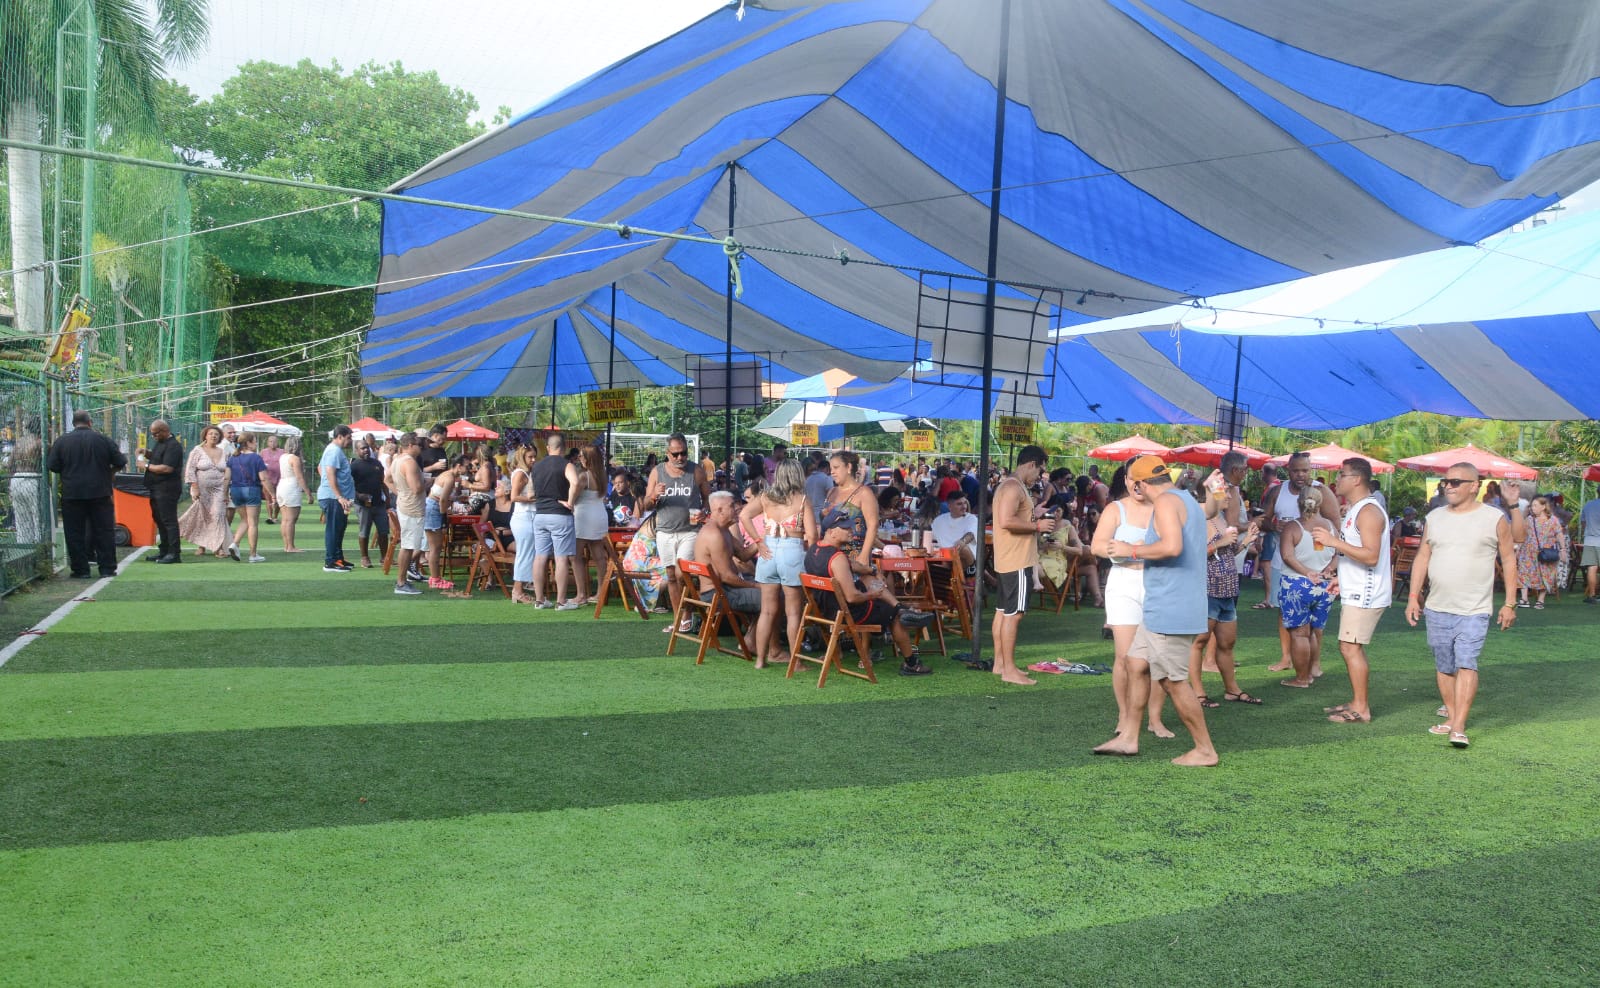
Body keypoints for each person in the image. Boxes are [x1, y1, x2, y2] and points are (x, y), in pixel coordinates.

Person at [1095, 454, 1219, 767]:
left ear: (1138, 484)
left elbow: (1172, 547)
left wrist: (1131, 550)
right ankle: (1128, 738)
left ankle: (1205, 749)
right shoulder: (1185, 498)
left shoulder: (1165, 502)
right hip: (1166, 603)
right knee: (1136, 664)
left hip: (1171, 606)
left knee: (1173, 681)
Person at [1407, 463, 1519, 748]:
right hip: (1437, 606)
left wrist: (1509, 603)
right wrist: (1412, 596)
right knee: (1444, 665)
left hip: (1475, 609)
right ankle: (1451, 715)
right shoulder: (1434, 517)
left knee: (1466, 663)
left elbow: (1508, 559)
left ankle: (1458, 726)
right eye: (1446, 481)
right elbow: (1422, 557)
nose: (1448, 486)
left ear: (1474, 486)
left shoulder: (1494, 518)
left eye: (1456, 482)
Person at [1090, 455, 1173, 738]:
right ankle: (1125, 715)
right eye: (1131, 478)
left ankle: (1155, 718)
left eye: (1141, 479)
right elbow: (1097, 546)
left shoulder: (1164, 508)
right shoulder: (1115, 509)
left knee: (1157, 657)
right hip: (1124, 584)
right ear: (1125, 481)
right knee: (1125, 656)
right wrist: (1122, 549)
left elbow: (1175, 545)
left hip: (1157, 583)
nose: (1136, 484)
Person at [1311, 458, 1391, 723]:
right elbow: (1357, 553)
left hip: (1366, 592)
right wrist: (1341, 578)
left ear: (1356, 479)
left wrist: (1333, 542)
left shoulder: (1369, 512)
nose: (1336, 480)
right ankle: (1357, 701)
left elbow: (1371, 556)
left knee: (1350, 648)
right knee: (1349, 646)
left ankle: (1361, 708)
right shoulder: (1357, 509)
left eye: (1341, 475)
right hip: (1356, 588)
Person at [804, 516, 935, 677]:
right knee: (894, 616)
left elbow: (852, 565)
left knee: (867, 579)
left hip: (825, 611)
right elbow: (852, 597)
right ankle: (912, 664)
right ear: (831, 532)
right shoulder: (837, 558)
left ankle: (901, 607)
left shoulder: (814, 550)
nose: (851, 531)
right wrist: (872, 595)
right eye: (845, 528)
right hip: (846, 613)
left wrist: (872, 571)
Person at [1261, 452, 1340, 670]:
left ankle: (1314, 663)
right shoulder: (1278, 491)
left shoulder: (1321, 491)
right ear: (1288, 470)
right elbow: (1262, 520)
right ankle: (1286, 658)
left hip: (1317, 565)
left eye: (1305, 470)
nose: (1300, 475)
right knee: (1284, 611)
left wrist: (1331, 561)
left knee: (1316, 621)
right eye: (1296, 470)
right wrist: (1273, 526)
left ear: (1310, 470)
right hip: (1284, 563)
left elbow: (1336, 526)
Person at [989, 445, 1055, 686]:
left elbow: (1011, 517)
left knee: (1003, 612)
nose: (1040, 476)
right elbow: (1006, 520)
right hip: (1016, 560)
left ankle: (1000, 664)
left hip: (1009, 559)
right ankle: (1008, 669)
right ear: (1031, 464)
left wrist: (1033, 514)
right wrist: (1037, 526)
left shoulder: (1012, 486)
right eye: (1040, 470)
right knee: (1014, 615)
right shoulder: (1013, 487)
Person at [740, 459, 815, 669]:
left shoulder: (766, 497)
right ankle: (796, 662)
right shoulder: (802, 500)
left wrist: (758, 540)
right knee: (793, 613)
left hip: (768, 551)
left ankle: (760, 660)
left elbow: (744, 515)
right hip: (792, 552)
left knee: (766, 611)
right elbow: (812, 535)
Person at [46, 410, 128, 578]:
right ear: (90, 422)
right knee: (104, 530)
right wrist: (109, 473)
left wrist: (69, 471)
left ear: (73, 424)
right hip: (100, 492)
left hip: (73, 492)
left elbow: (53, 466)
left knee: (74, 532)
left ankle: (80, 569)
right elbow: (121, 461)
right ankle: (107, 568)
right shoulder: (103, 440)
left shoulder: (62, 441)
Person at [1276, 486, 1337, 690]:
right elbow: (1338, 554)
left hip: (1298, 584)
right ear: (1320, 503)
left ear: (1299, 502)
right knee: (1314, 631)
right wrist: (1329, 569)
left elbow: (1287, 556)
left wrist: (1307, 572)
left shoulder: (1293, 527)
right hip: (1325, 586)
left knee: (1299, 634)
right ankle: (1313, 670)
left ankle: (1302, 678)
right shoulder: (1330, 526)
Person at [643, 433, 710, 618]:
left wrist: (705, 510)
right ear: (667, 453)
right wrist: (654, 495)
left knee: (682, 574)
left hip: (690, 531)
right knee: (671, 576)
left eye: (684, 453)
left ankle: (688, 612)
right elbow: (646, 505)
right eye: (675, 454)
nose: (680, 457)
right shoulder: (658, 472)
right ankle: (678, 618)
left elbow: (707, 498)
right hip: (665, 531)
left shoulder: (696, 470)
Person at [695, 490, 763, 656]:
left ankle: (754, 639)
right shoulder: (715, 535)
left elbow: (744, 555)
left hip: (723, 589)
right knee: (772, 597)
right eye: (732, 506)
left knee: (771, 591)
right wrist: (755, 585)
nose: (737, 508)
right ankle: (756, 643)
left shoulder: (722, 530)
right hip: (718, 594)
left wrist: (762, 539)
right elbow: (726, 577)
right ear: (719, 510)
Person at [530, 432, 583, 609]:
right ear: (564, 448)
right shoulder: (566, 464)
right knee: (561, 558)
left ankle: (539, 599)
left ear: (548, 448)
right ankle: (561, 601)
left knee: (540, 557)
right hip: (560, 514)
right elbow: (575, 482)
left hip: (540, 514)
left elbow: (531, 492)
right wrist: (570, 502)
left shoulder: (537, 466)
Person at [819, 450, 879, 576]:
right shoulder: (831, 492)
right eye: (831, 468)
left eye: (836, 467)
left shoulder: (863, 493)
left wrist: (864, 555)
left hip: (854, 556)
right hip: (829, 555)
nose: (832, 472)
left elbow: (873, 526)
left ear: (849, 467)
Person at [178, 425, 232, 559]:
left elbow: (228, 471)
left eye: (216, 434)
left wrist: (226, 491)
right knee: (203, 517)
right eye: (211, 434)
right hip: (201, 489)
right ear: (205, 436)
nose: (214, 436)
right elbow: (190, 470)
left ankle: (218, 547)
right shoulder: (197, 450)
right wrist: (195, 487)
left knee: (218, 515)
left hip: (219, 489)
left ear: (220, 437)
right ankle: (201, 546)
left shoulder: (223, 452)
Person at [225, 434, 274, 563]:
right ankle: (253, 554)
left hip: (235, 490)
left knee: (245, 520)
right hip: (251, 490)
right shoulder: (256, 458)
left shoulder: (233, 458)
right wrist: (273, 494)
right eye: (255, 441)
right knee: (253, 523)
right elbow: (264, 478)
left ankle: (235, 543)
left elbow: (226, 478)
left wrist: (225, 493)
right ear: (248, 443)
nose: (256, 444)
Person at [388, 433, 427, 595]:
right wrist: (428, 482)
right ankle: (401, 583)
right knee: (408, 546)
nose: (421, 447)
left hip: (406, 505)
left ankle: (403, 580)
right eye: (419, 444)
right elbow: (416, 488)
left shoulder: (397, 460)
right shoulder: (409, 462)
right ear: (410, 445)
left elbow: (387, 479)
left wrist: (400, 493)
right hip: (412, 508)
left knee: (408, 545)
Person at [572, 445, 610, 605]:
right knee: (599, 556)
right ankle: (601, 592)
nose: (579, 458)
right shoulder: (602, 475)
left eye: (581, 456)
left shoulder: (583, 477)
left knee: (575, 556)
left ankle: (581, 594)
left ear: (588, 458)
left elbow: (572, 498)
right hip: (600, 515)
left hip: (583, 517)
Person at [317, 425, 357, 573]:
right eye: (348, 438)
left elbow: (320, 468)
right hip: (333, 498)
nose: (350, 441)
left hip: (336, 497)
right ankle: (330, 561)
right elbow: (329, 472)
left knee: (339, 528)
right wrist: (338, 496)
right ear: (340, 436)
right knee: (334, 529)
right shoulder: (333, 451)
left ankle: (338, 558)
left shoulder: (335, 450)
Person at [143, 420, 184, 564]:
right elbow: (157, 458)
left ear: (165, 431)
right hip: (156, 487)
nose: (154, 436)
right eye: (152, 434)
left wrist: (146, 466)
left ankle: (174, 553)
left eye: (156, 433)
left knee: (168, 520)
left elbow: (167, 468)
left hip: (167, 488)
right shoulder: (160, 443)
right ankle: (164, 550)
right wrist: (146, 453)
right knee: (159, 519)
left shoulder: (174, 446)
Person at [1515, 495, 1566, 609]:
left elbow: (1559, 534)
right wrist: (1518, 549)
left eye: (1535, 505)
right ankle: (1524, 599)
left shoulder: (1553, 520)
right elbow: (1523, 534)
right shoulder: (1529, 519)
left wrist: (1563, 549)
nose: (1532, 508)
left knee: (1545, 574)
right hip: (1527, 552)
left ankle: (1540, 600)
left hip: (1545, 553)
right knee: (1523, 572)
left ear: (1543, 507)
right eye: (1531, 505)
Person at [506, 445, 539, 604]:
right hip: (524, 517)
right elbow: (513, 497)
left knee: (528, 553)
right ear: (522, 458)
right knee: (524, 554)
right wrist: (531, 499)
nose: (533, 459)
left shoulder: (527, 472)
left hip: (529, 516)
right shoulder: (520, 473)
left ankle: (522, 586)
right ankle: (517, 590)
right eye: (530, 457)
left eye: (534, 456)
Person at [350, 439, 390, 569]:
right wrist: (359, 495)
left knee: (383, 531)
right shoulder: (354, 465)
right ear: (357, 451)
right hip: (363, 504)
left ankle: (384, 557)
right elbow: (349, 485)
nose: (366, 450)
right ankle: (365, 557)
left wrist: (387, 497)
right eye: (362, 448)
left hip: (378, 503)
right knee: (364, 531)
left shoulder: (377, 463)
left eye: (367, 447)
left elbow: (382, 482)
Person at [930, 493, 980, 577]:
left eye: (965, 503)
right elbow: (930, 537)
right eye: (959, 504)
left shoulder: (971, 519)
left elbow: (971, 534)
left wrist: (962, 541)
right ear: (950, 506)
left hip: (964, 559)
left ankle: (971, 576)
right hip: (943, 557)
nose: (964, 507)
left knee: (962, 548)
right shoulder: (939, 520)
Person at [274, 436, 309, 554]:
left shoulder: (283, 457)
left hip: (282, 486)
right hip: (291, 487)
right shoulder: (295, 459)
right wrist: (308, 493)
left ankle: (287, 545)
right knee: (291, 519)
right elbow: (299, 477)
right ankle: (291, 546)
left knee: (285, 519)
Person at [1578, 492, 1600, 604]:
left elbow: (1583, 523)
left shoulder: (1588, 505)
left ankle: (1592, 595)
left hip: (1590, 540)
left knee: (1592, 568)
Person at [260, 435, 284, 524]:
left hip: (279, 479)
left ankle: (275, 516)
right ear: (267, 442)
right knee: (268, 499)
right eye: (270, 441)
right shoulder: (263, 452)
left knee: (278, 498)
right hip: (267, 479)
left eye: (274, 441)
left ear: (278, 443)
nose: (273, 443)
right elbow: (259, 463)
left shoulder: (282, 452)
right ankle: (270, 516)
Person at [804, 452, 833, 524]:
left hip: (806, 515)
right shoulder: (826, 478)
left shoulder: (802, 479)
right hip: (821, 515)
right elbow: (831, 496)